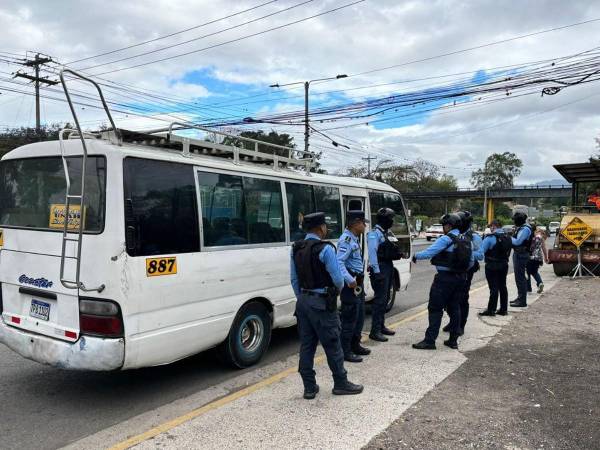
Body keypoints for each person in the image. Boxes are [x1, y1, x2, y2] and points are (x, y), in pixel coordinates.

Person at [290, 212, 363, 399]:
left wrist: (303, 297)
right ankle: (341, 383)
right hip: (322, 303)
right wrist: (331, 294)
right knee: (332, 343)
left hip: (303, 302)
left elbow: (294, 279)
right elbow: (338, 279)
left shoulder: (296, 248)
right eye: (325, 226)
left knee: (307, 345)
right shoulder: (325, 249)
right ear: (321, 228)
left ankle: (309, 387)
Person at [412, 213, 473, 350]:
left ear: (449, 226)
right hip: (461, 278)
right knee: (455, 307)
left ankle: (430, 340)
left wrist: (415, 255)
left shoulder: (446, 239)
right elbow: (471, 262)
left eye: (444, 225)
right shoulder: (467, 239)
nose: (443, 228)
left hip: (444, 279)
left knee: (435, 308)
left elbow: (429, 252)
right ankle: (453, 340)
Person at [336, 210, 371, 363]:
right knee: (349, 318)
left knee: (359, 315)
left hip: (358, 282)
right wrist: (350, 279)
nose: (365, 225)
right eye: (363, 223)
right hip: (351, 285)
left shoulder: (354, 238)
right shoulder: (346, 240)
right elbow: (339, 262)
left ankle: (355, 345)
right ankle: (346, 351)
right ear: (356, 223)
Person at [443, 210, 482, 335]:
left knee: (462, 298)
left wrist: (464, 253)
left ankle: (461, 325)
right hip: (451, 269)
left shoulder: (474, 237)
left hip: (466, 270)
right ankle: (453, 321)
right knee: (448, 297)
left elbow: (480, 255)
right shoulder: (453, 234)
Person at [367, 207, 397, 342]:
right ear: (384, 219)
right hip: (380, 268)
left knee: (385, 298)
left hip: (388, 266)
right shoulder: (374, 234)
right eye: (390, 218)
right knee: (379, 300)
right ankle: (375, 331)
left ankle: (381, 325)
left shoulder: (385, 232)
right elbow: (373, 254)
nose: (392, 221)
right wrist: (377, 272)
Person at [478, 219, 512, 316]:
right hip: (504, 264)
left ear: (494, 226)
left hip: (492, 265)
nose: (490, 228)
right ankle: (503, 309)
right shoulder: (508, 237)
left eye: (490, 227)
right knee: (503, 286)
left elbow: (482, 252)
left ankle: (491, 310)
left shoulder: (490, 238)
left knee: (493, 287)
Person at [510, 212, 533, 308]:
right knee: (518, 277)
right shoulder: (522, 228)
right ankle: (520, 297)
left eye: (515, 220)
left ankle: (522, 300)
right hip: (519, 253)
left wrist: (508, 238)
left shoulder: (525, 229)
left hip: (521, 254)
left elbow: (518, 242)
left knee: (520, 278)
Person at [527, 228, 549, 294]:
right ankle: (540, 283)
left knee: (527, 273)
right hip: (538, 258)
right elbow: (544, 249)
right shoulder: (541, 238)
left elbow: (530, 248)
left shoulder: (532, 237)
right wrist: (546, 258)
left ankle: (528, 289)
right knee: (534, 272)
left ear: (536, 231)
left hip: (530, 257)